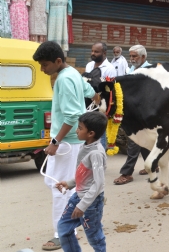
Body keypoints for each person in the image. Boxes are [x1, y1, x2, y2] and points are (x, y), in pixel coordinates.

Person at [33, 41, 98, 252]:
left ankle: (62, 233)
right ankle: (72, 225)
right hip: (72, 142)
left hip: (67, 143)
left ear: (58, 61)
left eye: (44, 65)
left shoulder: (64, 79)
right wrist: (97, 98)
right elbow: (89, 90)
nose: (43, 70)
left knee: (60, 187)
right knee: (65, 185)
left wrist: (55, 142)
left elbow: (71, 116)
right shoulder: (73, 74)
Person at [56, 111, 107, 252]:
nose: (76, 130)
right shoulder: (85, 146)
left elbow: (98, 183)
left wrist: (83, 205)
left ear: (90, 133)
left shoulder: (96, 153)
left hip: (91, 203)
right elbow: (85, 175)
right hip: (79, 196)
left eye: (79, 128)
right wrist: (70, 183)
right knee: (63, 228)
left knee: (94, 237)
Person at [114, 45, 153, 185]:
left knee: (133, 141)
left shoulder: (150, 71)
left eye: (134, 56)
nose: (131, 59)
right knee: (142, 141)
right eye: (130, 56)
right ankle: (152, 165)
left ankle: (127, 173)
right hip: (133, 110)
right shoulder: (132, 69)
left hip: (143, 112)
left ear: (143, 57)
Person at [84, 42, 116, 150]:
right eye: (92, 51)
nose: (93, 53)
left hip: (101, 106)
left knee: (99, 132)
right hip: (87, 104)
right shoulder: (89, 65)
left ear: (104, 53)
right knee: (88, 132)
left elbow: (109, 90)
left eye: (96, 52)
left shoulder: (109, 68)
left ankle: (100, 161)